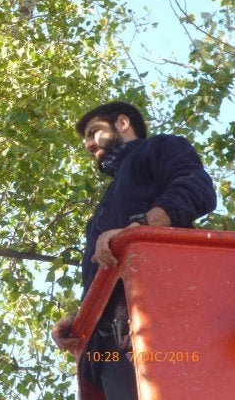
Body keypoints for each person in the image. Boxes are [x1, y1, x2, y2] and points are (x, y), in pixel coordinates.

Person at [51, 101, 217, 399]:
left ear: (123, 123)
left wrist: (140, 227)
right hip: (107, 349)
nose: (88, 144)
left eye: (94, 132)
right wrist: (80, 317)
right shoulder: (102, 211)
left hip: (158, 324)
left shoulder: (159, 148)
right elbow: (109, 275)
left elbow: (196, 188)